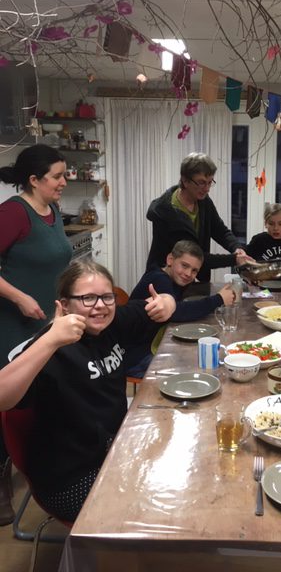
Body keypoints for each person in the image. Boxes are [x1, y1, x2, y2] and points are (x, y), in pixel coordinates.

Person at [0, 259, 176, 523]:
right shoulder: (50, 347)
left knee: (175, 472)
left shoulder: (111, 322)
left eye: (107, 297)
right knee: (159, 506)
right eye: (87, 298)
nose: (100, 305)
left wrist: (167, 303)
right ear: (64, 305)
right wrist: (50, 339)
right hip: (69, 478)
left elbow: (160, 303)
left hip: (113, 453)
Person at [0, 144, 72, 525]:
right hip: (12, 325)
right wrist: (18, 297)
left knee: (39, 397)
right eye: (57, 176)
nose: (64, 182)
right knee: (9, 401)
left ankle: (41, 464)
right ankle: (0, 485)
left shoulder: (53, 211)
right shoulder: (14, 213)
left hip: (45, 324)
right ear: (33, 180)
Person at [125, 240, 236, 377]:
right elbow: (175, 311)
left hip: (148, 345)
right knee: (193, 366)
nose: (188, 274)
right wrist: (219, 299)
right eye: (184, 265)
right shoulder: (159, 279)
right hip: (136, 356)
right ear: (170, 260)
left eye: (194, 270)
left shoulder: (169, 277)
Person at [146, 152, 252, 282]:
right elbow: (193, 256)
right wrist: (234, 259)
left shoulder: (204, 201)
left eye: (210, 182)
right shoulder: (166, 213)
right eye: (201, 182)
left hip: (188, 276)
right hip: (164, 278)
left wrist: (237, 248)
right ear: (185, 180)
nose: (207, 189)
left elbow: (220, 230)